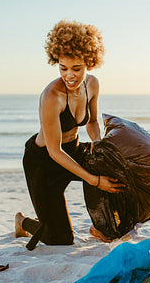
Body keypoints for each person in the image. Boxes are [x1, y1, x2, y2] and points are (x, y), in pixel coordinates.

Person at [15, 20, 125, 246]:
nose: (70, 76)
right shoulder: (51, 96)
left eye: (77, 68)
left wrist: (98, 143)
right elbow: (54, 151)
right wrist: (95, 181)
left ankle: (101, 226)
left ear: (89, 63)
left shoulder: (92, 84)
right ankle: (23, 222)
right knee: (60, 239)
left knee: (115, 172)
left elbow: (92, 121)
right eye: (63, 68)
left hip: (73, 149)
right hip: (44, 162)